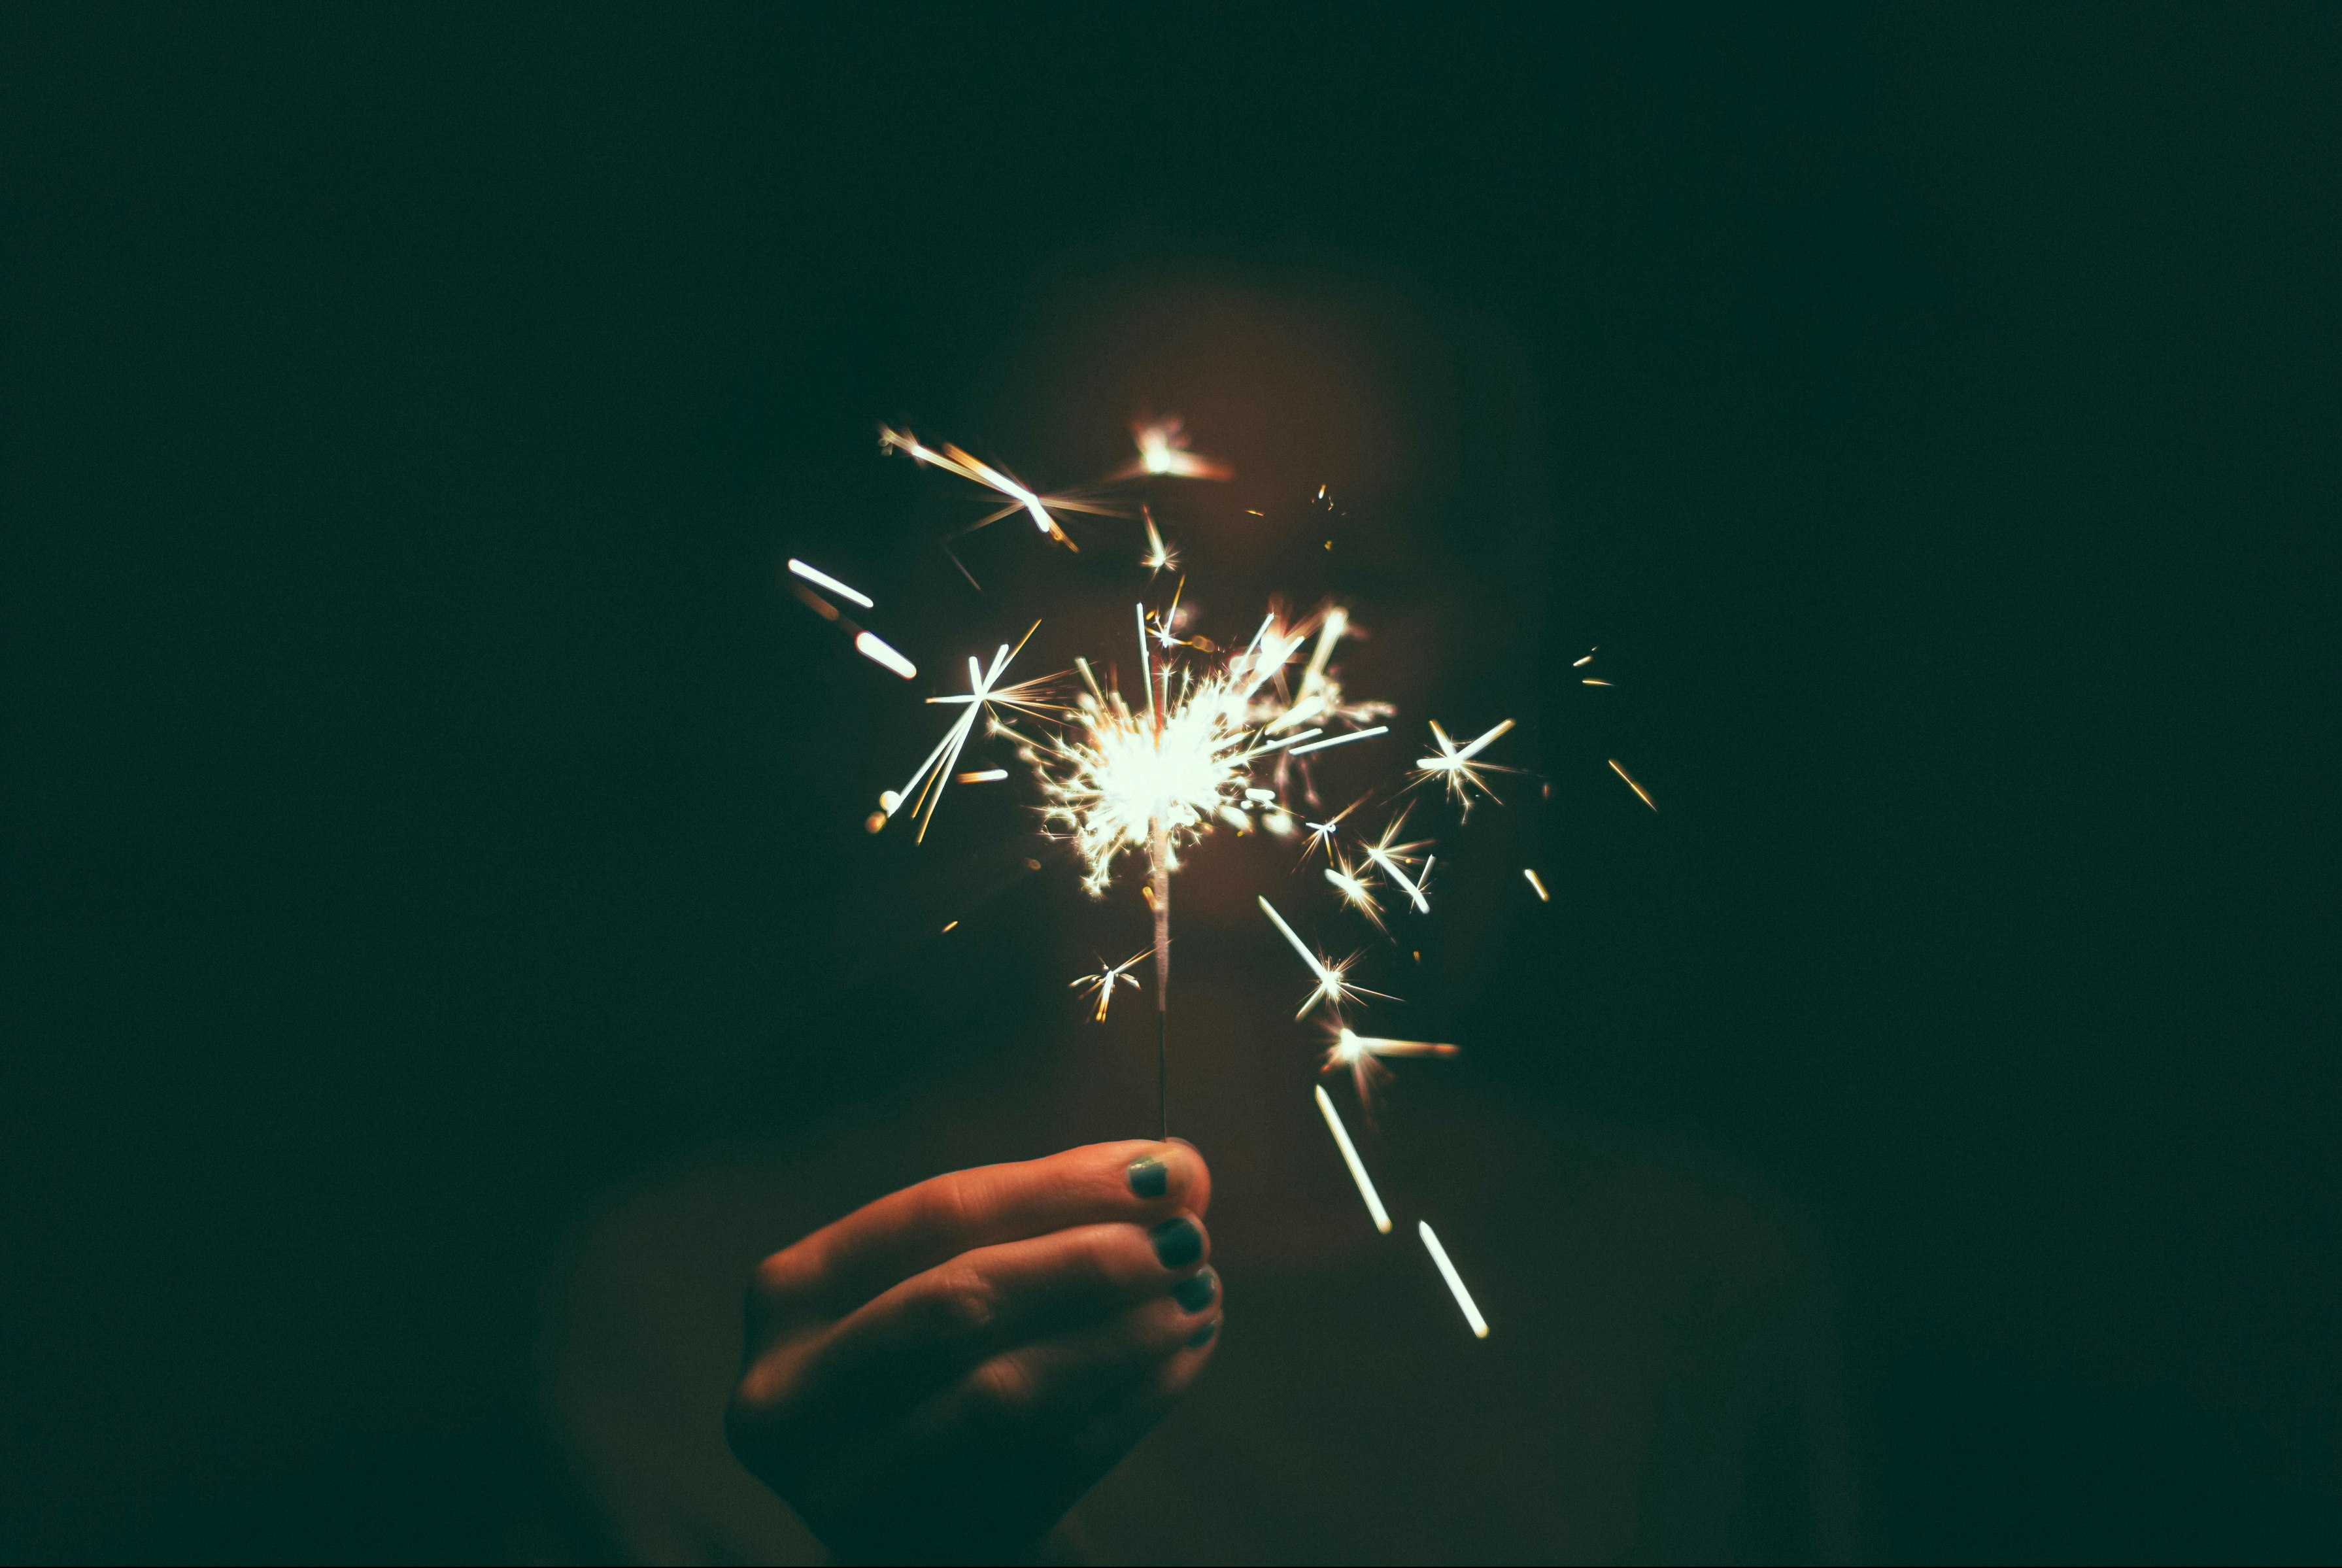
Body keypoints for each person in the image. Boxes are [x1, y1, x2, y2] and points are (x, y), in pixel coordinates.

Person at [536, 270, 1859, 1562]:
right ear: (975, 622)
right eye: (1124, 557)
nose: (1228, 652)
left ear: (1486, 645)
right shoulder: (726, 1303)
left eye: (1355, 573)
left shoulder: (1693, 1302)